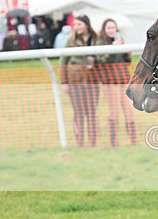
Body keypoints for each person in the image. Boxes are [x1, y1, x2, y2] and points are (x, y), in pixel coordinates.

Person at [59, 15, 99, 147]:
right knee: (79, 112)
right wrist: (64, 82)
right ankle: (80, 143)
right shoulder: (71, 39)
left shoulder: (96, 38)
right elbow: (63, 61)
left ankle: (93, 143)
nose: (76, 27)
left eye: (79, 24)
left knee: (92, 112)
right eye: (75, 25)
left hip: (92, 81)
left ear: (86, 25)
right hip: (75, 82)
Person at [96, 18, 137, 147]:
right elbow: (101, 60)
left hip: (124, 80)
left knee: (129, 111)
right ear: (104, 30)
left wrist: (126, 50)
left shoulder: (121, 41)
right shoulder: (100, 43)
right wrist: (112, 49)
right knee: (113, 112)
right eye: (109, 28)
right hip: (110, 82)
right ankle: (114, 143)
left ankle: (134, 142)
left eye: (113, 28)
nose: (111, 30)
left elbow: (127, 61)